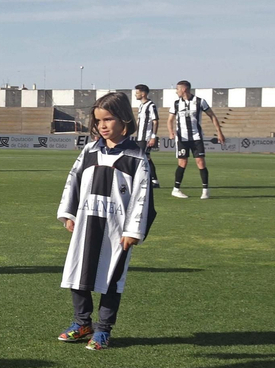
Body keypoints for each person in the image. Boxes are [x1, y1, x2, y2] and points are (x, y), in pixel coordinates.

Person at [56, 92, 155, 350]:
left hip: (116, 228)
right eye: (98, 120)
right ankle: (82, 323)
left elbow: (142, 197)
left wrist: (133, 230)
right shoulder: (89, 151)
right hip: (87, 222)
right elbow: (73, 181)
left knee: (111, 279)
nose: (102, 125)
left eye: (108, 119)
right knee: (78, 273)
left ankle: (103, 329)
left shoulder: (136, 158)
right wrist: (69, 213)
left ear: (124, 120)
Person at [167, 79, 223, 199]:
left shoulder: (200, 101)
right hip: (182, 138)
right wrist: (171, 132)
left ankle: (205, 190)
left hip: (196, 138)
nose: (176, 92)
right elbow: (170, 120)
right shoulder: (176, 103)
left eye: (177, 89)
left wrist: (219, 132)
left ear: (184, 89)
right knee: (182, 162)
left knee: (201, 162)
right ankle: (176, 189)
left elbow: (212, 116)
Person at [133, 84, 160, 188]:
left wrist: (153, 136)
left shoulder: (151, 105)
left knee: (145, 158)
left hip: (146, 137)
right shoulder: (141, 106)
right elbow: (139, 120)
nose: (136, 94)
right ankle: (151, 179)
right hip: (140, 137)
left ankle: (153, 180)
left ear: (143, 93)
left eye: (137, 92)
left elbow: (155, 121)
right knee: (144, 158)